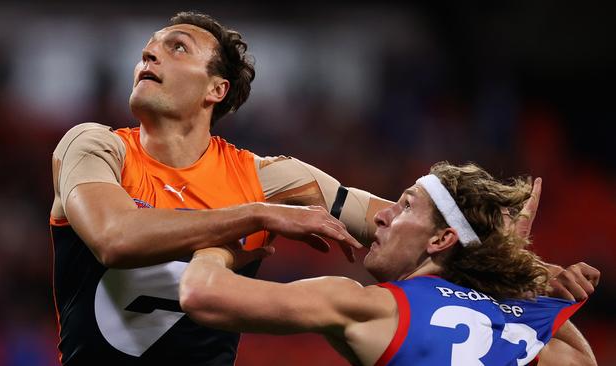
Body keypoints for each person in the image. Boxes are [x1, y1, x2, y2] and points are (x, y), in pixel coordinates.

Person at [49, 11, 389, 365]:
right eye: (148, 48)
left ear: (216, 88)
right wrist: (257, 214)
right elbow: (113, 238)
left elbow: (402, 226)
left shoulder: (268, 179)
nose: (149, 54)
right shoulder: (93, 147)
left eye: (177, 47)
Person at [179, 162, 600, 365]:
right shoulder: (510, 327)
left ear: (441, 239)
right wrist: (520, 275)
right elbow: (584, 362)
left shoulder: (373, 307)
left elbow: (200, 294)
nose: (380, 215)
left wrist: (239, 226)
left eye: (404, 207)